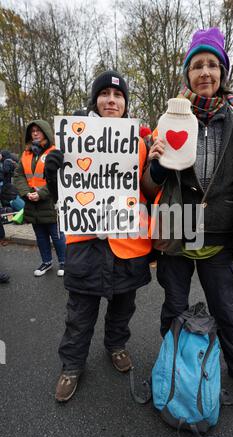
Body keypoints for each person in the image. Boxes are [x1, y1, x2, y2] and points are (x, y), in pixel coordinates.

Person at [141, 27, 233, 390]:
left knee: (226, 309)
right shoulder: (167, 120)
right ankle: (172, 371)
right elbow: (149, 186)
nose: (205, 72)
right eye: (197, 65)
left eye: (212, 65)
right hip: (176, 227)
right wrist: (154, 167)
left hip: (219, 231)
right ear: (187, 73)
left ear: (222, 73)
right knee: (174, 307)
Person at [44, 71, 152, 402]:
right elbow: (62, 197)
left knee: (123, 307)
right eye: (104, 93)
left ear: (125, 103)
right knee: (79, 314)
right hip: (86, 247)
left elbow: (146, 191)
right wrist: (52, 176)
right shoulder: (69, 140)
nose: (111, 100)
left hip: (127, 246)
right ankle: (72, 365)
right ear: (95, 100)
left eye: (118, 95)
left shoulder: (140, 143)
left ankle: (116, 345)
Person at [14, 120, 66, 276]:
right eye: (32, 131)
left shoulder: (54, 152)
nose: (35, 133)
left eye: (38, 130)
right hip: (31, 202)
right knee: (40, 236)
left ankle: (64, 263)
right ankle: (46, 262)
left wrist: (41, 193)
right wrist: (26, 193)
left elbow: (59, 177)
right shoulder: (26, 153)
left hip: (50, 201)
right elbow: (19, 175)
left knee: (57, 235)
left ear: (46, 132)